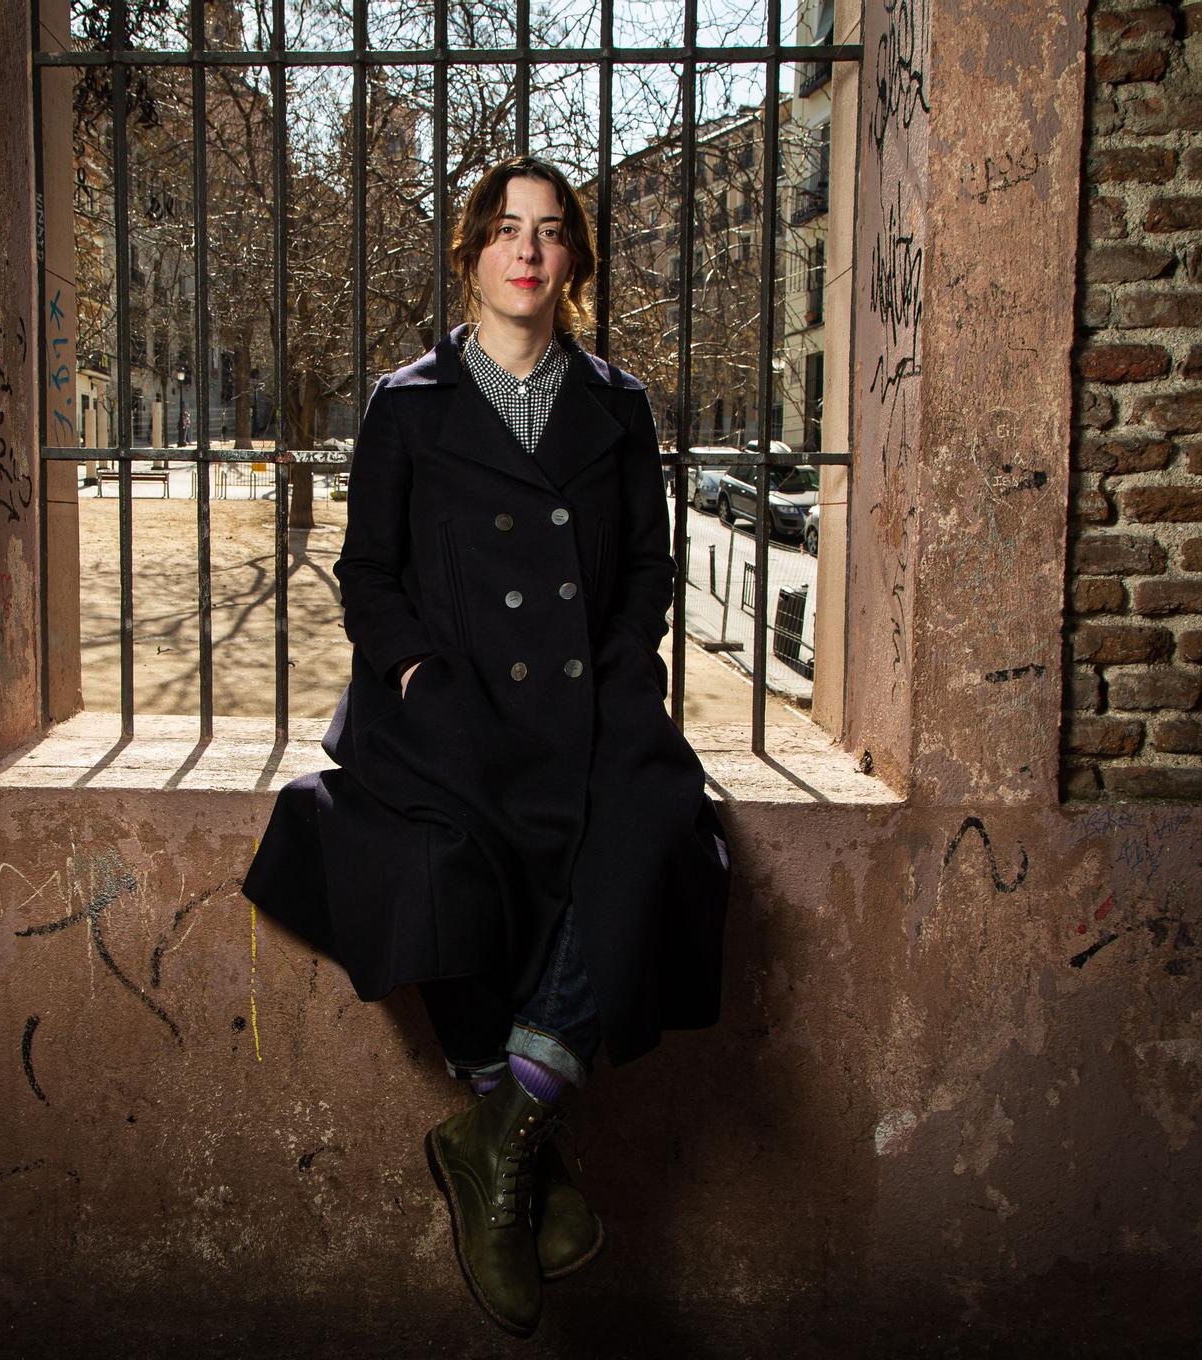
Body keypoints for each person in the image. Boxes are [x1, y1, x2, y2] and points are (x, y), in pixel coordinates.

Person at [242, 155, 730, 1338]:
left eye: (550, 232)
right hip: (444, 711)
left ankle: (494, 1127)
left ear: (572, 262)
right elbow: (369, 575)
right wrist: (415, 672)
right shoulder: (405, 403)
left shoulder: (616, 407)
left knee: (661, 831)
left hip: (592, 702)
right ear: (469, 255)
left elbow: (648, 572)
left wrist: (621, 671)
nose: (526, 250)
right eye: (504, 230)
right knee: (437, 865)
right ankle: (518, 1138)